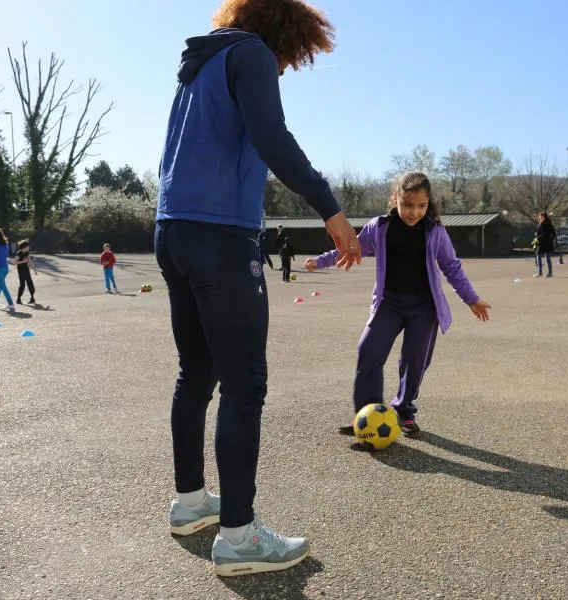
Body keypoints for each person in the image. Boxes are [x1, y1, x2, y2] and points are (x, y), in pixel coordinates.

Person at [153, 0, 361, 577]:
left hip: (172, 228)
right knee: (245, 384)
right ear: (286, 35)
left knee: (195, 372)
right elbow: (272, 136)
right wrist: (331, 210)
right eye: (293, 54)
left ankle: (191, 501)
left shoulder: (198, 66)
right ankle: (239, 537)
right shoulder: (252, 55)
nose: (288, 65)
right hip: (221, 234)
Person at [306, 172, 491, 437]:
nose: (414, 212)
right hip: (389, 304)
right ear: (395, 199)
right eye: (407, 204)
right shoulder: (380, 227)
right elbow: (352, 246)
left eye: (421, 206)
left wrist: (471, 298)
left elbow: (451, 266)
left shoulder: (434, 231)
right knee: (368, 350)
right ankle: (366, 415)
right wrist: (322, 260)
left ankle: (404, 411)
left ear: (429, 204)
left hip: (424, 308)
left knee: (414, 362)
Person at [534, 212, 557, 278]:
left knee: (538, 256)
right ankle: (550, 273)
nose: (539, 217)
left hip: (542, 243)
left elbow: (543, 234)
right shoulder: (550, 224)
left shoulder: (542, 224)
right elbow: (554, 234)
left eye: (539, 216)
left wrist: (537, 237)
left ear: (542, 216)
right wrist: (550, 240)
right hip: (548, 243)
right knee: (548, 258)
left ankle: (540, 272)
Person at [15, 239, 36, 304]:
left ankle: (32, 298)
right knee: (22, 285)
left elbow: (29, 260)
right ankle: (18, 299)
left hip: (26, 270)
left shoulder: (27, 253)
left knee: (30, 284)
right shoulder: (19, 253)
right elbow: (15, 262)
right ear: (24, 247)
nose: (29, 248)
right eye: (28, 246)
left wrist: (34, 269)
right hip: (21, 271)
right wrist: (23, 261)